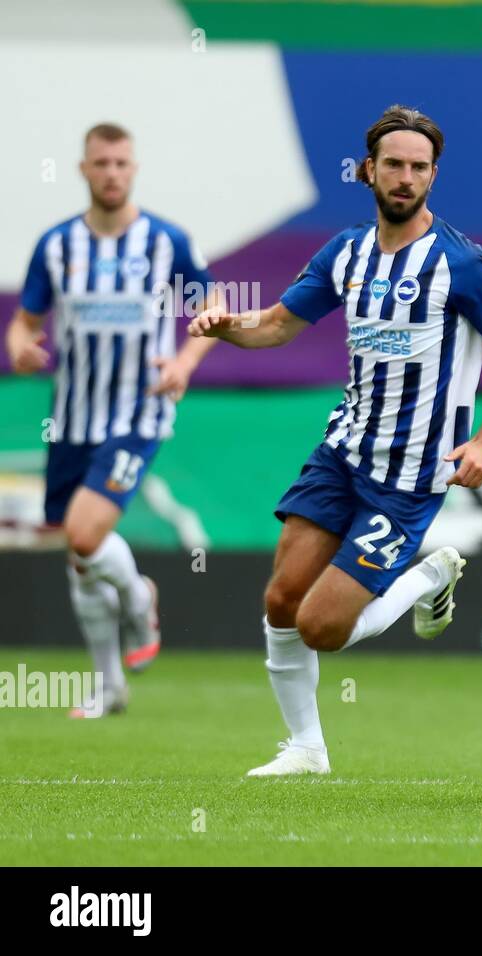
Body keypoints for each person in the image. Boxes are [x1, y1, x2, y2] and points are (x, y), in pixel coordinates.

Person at [188, 105, 482, 775]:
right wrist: (226, 326)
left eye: (418, 168)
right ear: (367, 171)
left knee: (323, 627)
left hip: (410, 476)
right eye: (394, 165)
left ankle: (432, 573)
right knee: (280, 599)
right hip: (343, 452)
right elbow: (277, 326)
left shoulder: (461, 264)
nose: (405, 178)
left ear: (433, 175)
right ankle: (306, 749)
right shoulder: (344, 252)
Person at [6, 122, 221, 717]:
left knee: (84, 535)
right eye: (101, 163)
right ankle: (109, 686)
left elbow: (213, 306)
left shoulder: (167, 241)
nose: (112, 173)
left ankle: (139, 596)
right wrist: (21, 346)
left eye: (121, 163)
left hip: (140, 409)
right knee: (80, 554)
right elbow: (25, 320)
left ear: (134, 169)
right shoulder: (56, 246)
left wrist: (184, 360)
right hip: (73, 417)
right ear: (84, 170)